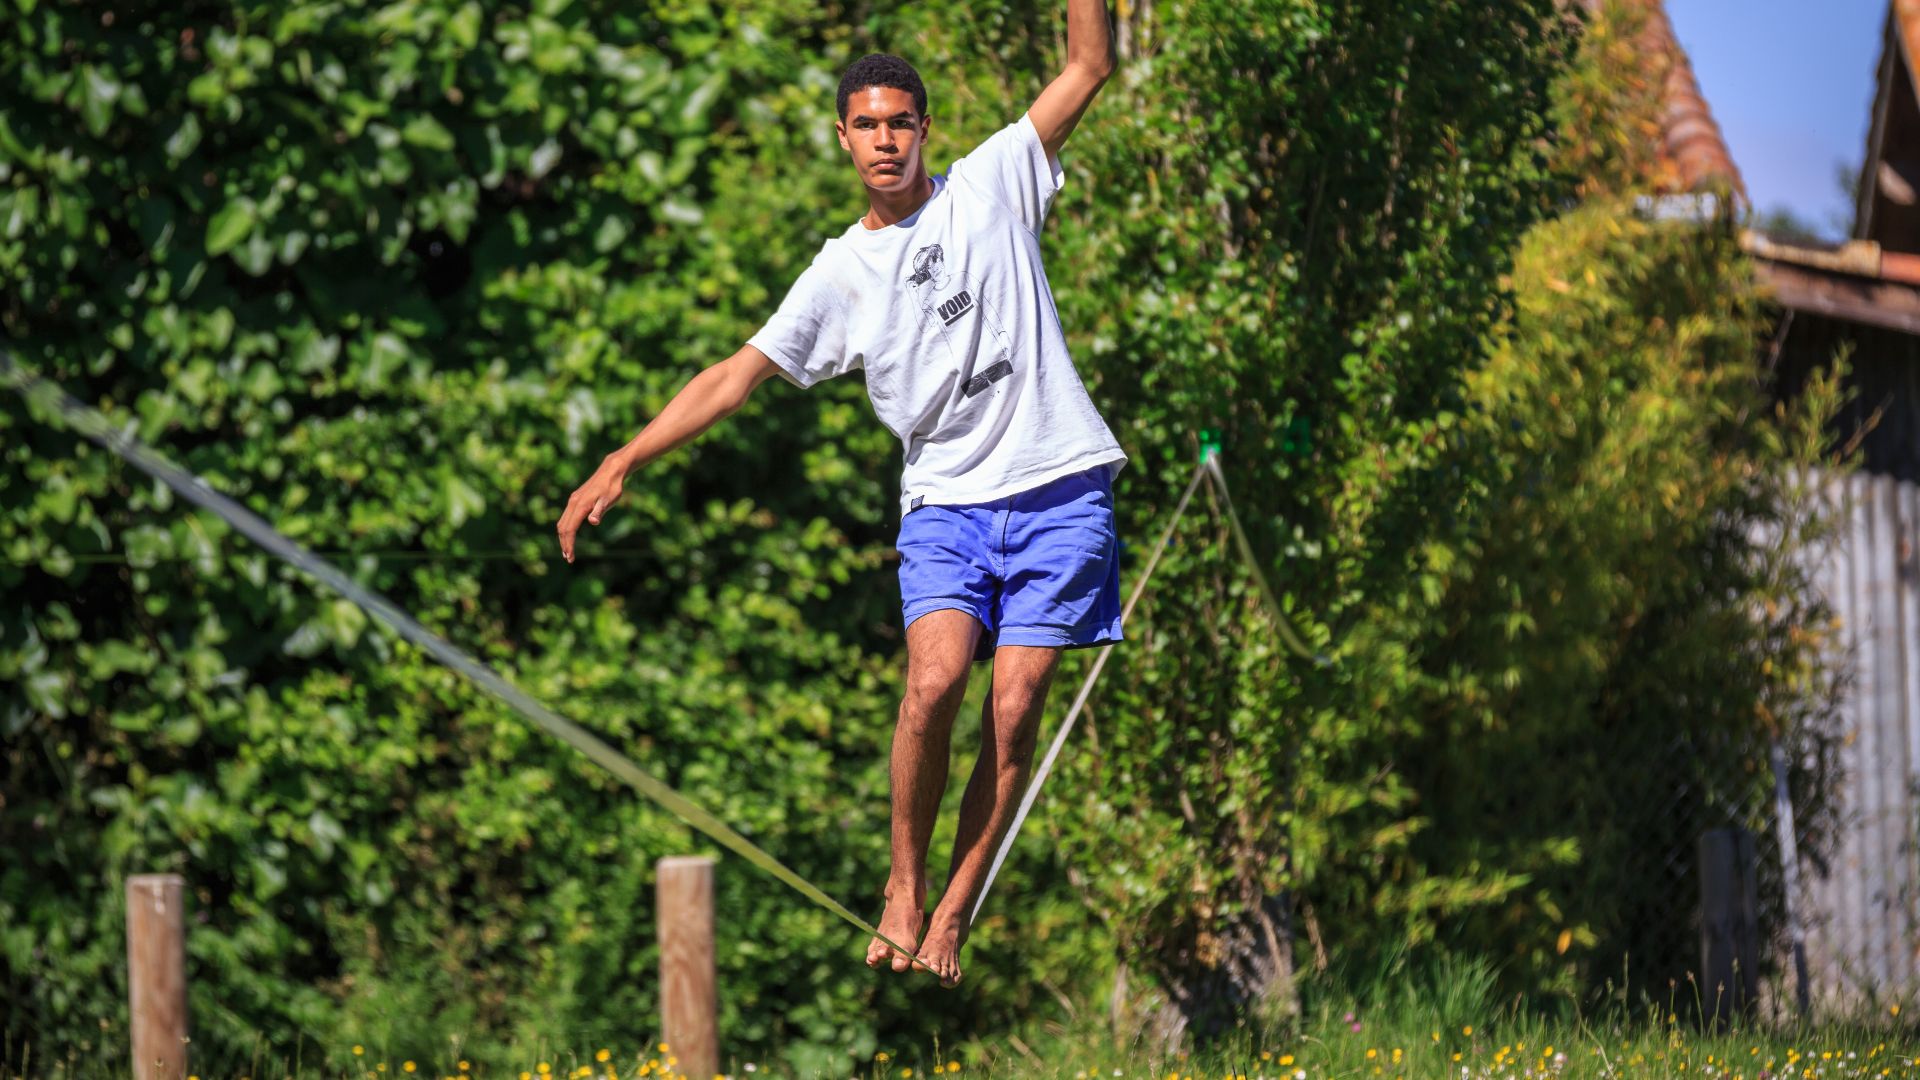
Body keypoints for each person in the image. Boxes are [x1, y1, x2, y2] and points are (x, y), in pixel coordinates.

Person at [556, 0, 1124, 988]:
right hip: (945, 507)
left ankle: (952, 910)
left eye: (902, 121)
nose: (886, 139)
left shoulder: (991, 184)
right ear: (843, 137)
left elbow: (1087, 64)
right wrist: (622, 460)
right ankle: (904, 888)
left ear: (925, 131)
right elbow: (735, 374)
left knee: (1016, 702)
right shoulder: (838, 273)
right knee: (934, 684)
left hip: (1060, 489)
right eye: (867, 123)